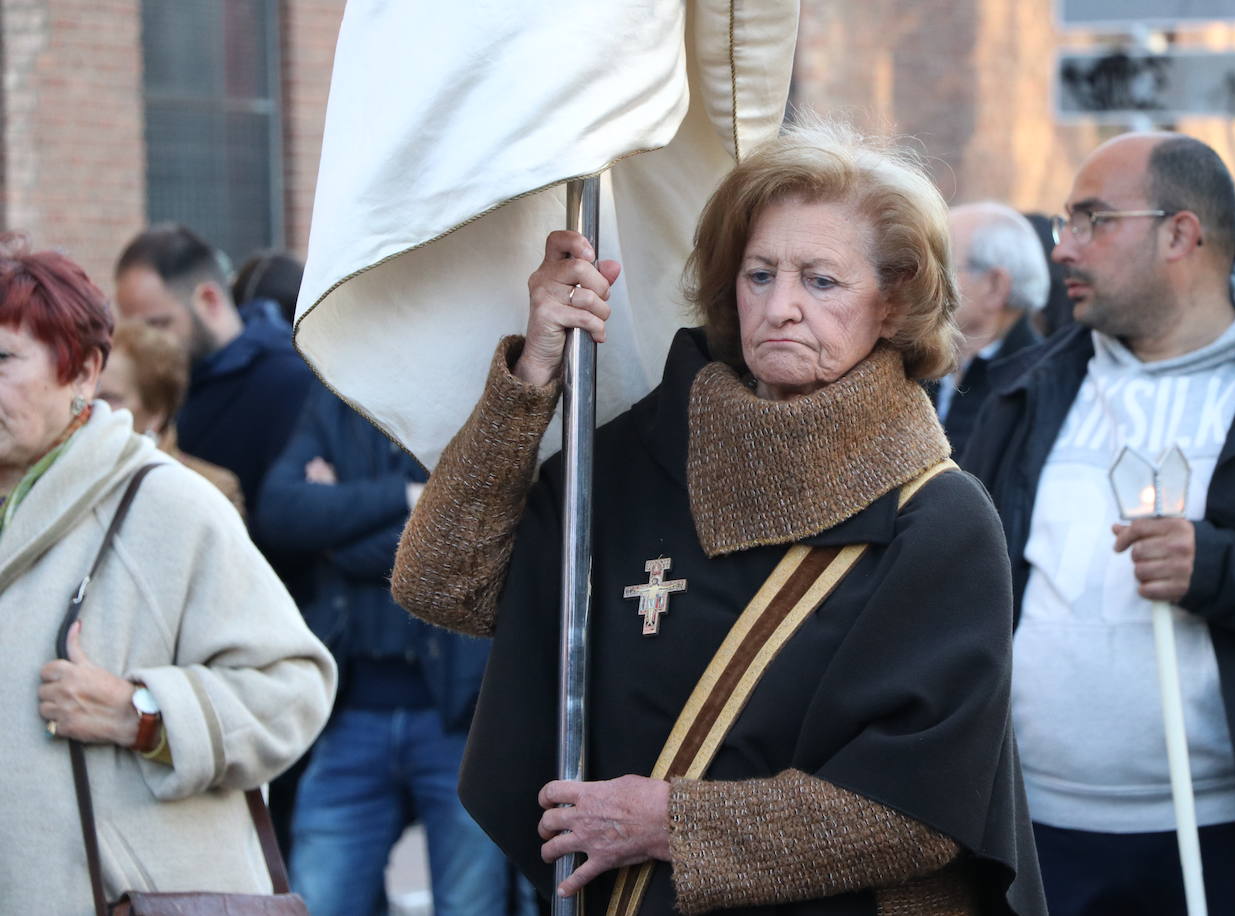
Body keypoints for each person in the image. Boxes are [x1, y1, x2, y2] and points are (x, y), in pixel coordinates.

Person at [391, 123, 1045, 915]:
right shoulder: (635, 459)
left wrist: (667, 822)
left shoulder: (937, 516)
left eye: (822, 282)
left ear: (896, 299)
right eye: (760, 274)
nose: (782, 307)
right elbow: (440, 585)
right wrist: (534, 374)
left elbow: (919, 814)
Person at [961, 132, 1235, 915]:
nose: (1065, 251)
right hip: (1034, 833)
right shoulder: (1027, 391)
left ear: (1181, 233)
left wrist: (1217, 568)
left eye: (1093, 222)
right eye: (1063, 225)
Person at [0, 237, 336, 912]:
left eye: (4, 359)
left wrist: (144, 714)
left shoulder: (166, 504)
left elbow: (294, 690)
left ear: (85, 370)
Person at [257, 386, 517, 915]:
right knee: (317, 900)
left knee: (471, 905)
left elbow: (489, 535)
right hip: (351, 711)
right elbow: (281, 509)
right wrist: (410, 496)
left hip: (460, 719)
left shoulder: (476, 392)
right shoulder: (337, 393)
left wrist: (338, 530)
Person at [112, 224, 314, 518]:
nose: (144, 345)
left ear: (208, 300)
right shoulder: (165, 385)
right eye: (135, 330)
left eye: (157, 325)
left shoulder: (290, 382)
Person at [935, 202, 1049, 457]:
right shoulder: (918, 361)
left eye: (943, 266)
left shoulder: (1038, 387)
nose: (925, 280)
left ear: (995, 286)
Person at [98, 320, 246, 515]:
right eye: (85, 395)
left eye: (109, 398)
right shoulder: (69, 468)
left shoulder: (210, 488)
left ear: (156, 411)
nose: (94, 407)